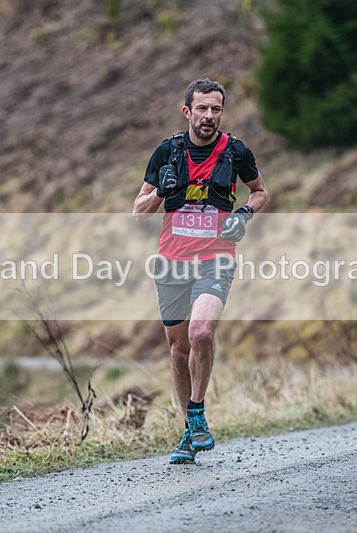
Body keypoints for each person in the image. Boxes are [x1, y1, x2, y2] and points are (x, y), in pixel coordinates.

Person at [132, 78, 268, 464]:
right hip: (172, 262)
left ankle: (196, 410)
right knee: (178, 351)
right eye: (202, 109)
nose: (209, 116)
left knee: (202, 330)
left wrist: (244, 213)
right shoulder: (167, 152)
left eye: (216, 109)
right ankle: (189, 433)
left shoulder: (236, 151)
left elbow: (260, 191)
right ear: (187, 111)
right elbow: (137, 213)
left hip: (216, 258)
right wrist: (161, 191)